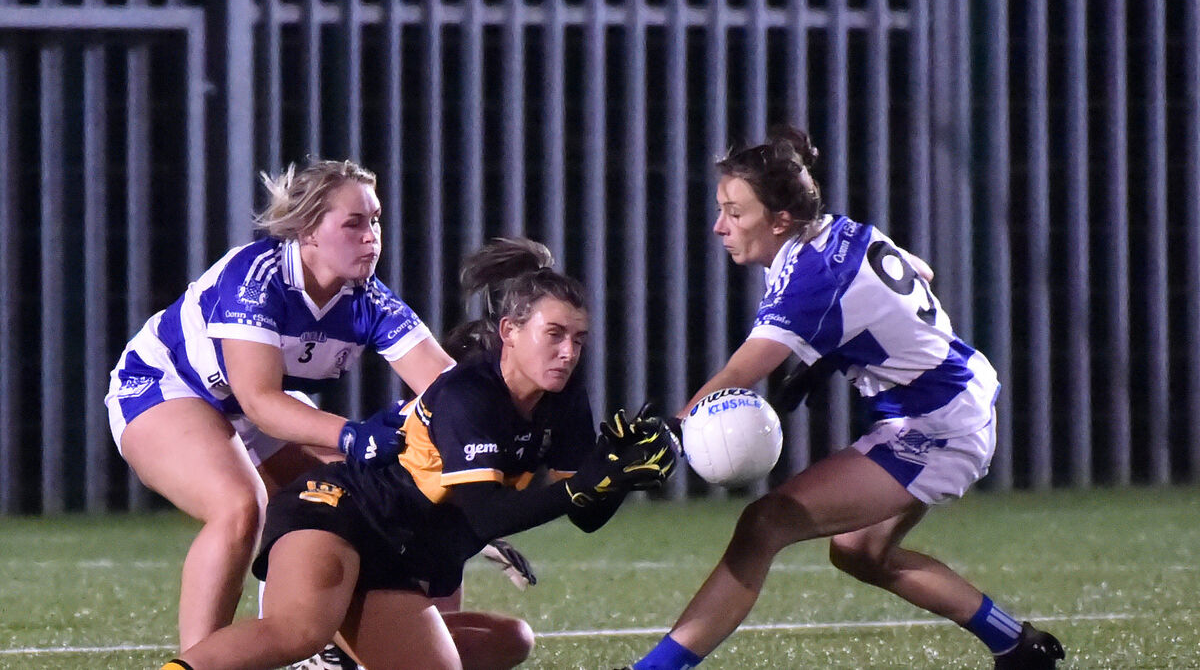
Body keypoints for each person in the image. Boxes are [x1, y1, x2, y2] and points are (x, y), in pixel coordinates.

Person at [624, 127, 1065, 670]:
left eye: (735, 213)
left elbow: (742, 372)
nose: (720, 226)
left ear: (780, 219)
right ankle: (1018, 647)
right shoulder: (835, 230)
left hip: (937, 422)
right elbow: (920, 272)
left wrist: (672, 429)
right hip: (949, 396)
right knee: (860, 552)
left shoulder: (810, 280)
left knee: (764, 525)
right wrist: (839, 350)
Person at [159, 240, 677, 670]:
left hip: (398, 556)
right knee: (297, 630)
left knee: (506, 642)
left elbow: (584, 514)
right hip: (340, 515)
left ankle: (336, 657)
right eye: (555, 335)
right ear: (510, 332)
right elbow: (489, 513)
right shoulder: (470, 395)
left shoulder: (563, 398)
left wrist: (619, 475)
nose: (568, 352)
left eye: (579, 340)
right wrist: (592, 479)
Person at [104, 158, 455, 655]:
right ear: (308, 230)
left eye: (375, 220)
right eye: (353, 223)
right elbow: (260, 401)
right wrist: (351, 434)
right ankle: (203, 662)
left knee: (349, 505)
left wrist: (476, 488)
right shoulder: (257, 276)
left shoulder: (369, 299)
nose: (371, 236)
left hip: (252, 403)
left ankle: (322, 651)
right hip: (166, 385)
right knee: (239, 505)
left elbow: (448, 391)